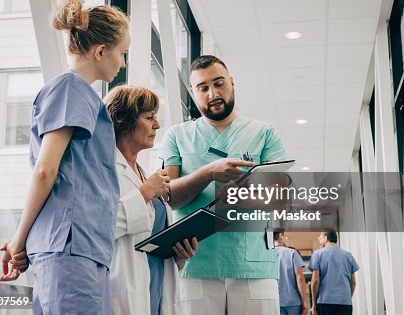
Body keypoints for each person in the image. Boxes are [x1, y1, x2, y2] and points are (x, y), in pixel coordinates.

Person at [0, 0, 130, 314]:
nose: (124, 63)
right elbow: (46, 170)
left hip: (81, 248)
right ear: (100, 51)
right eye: (123, 53)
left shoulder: (80, 95)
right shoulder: (70, 89)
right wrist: (18, 240)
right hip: (70, 247)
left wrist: (24, 241)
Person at [159, 55, 286, 315]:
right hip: (194, 264)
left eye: (219, 83)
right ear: (194, 94)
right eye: (203, 88)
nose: (213, 93)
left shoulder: (264, 133)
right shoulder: (177, 136)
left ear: (232, 83)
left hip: (253, 265)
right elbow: (169, 196)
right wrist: (207, 173)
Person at [104, 85, 198, 315]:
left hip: (155, 290)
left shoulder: (144, 173)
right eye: (149, 118)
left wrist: (178, 254)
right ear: (122, 121)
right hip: (123, 291)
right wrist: (145, 192)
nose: (157, 125)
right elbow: (97, 226)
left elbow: (149, 243)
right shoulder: (104, 170)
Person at [309, 229, 359, 315]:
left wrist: (314, 303)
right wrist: (346, 298)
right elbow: (353, 282)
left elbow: (315, 280)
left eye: (320, 236)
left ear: (326, 238)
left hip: (324, 302)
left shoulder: (318, 254)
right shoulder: (348, 255)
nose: (318, 238)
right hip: (345, 302)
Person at [273, 229, 308, 315]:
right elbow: (300, 278)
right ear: (281, 235)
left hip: (275, 301)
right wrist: (305, 300)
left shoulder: (267, 254)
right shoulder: (292, 253)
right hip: (293, 302)